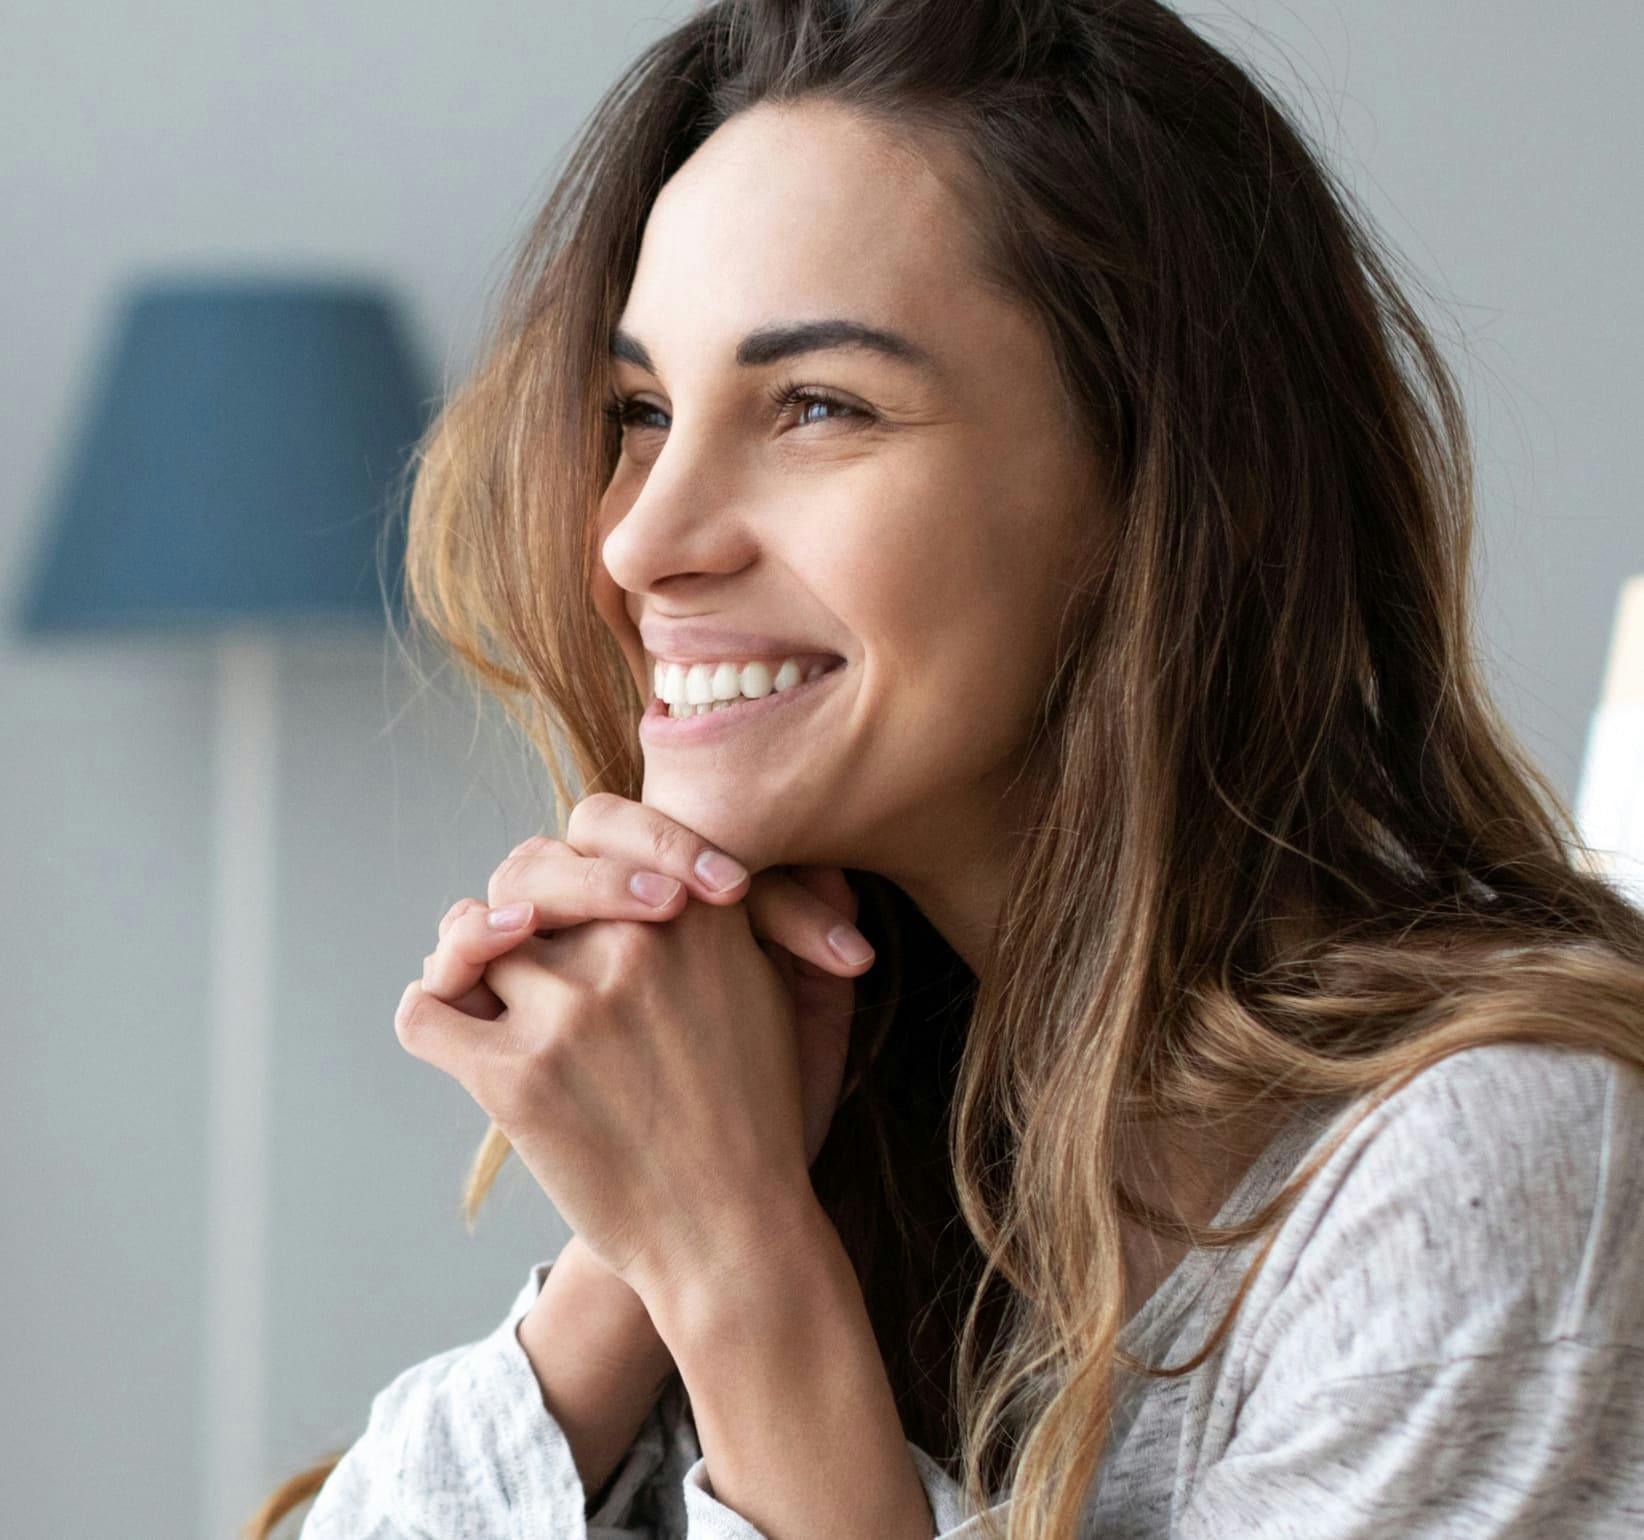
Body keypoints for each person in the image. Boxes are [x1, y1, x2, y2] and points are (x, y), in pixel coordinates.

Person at [246, 2, 1644, 1537]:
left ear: (1160, 486)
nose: (640, 539)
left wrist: (737, 1272)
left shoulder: (1484, 1171)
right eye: (641, 412)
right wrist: (633, 1261)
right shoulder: (861, 1103)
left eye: (817, 407)